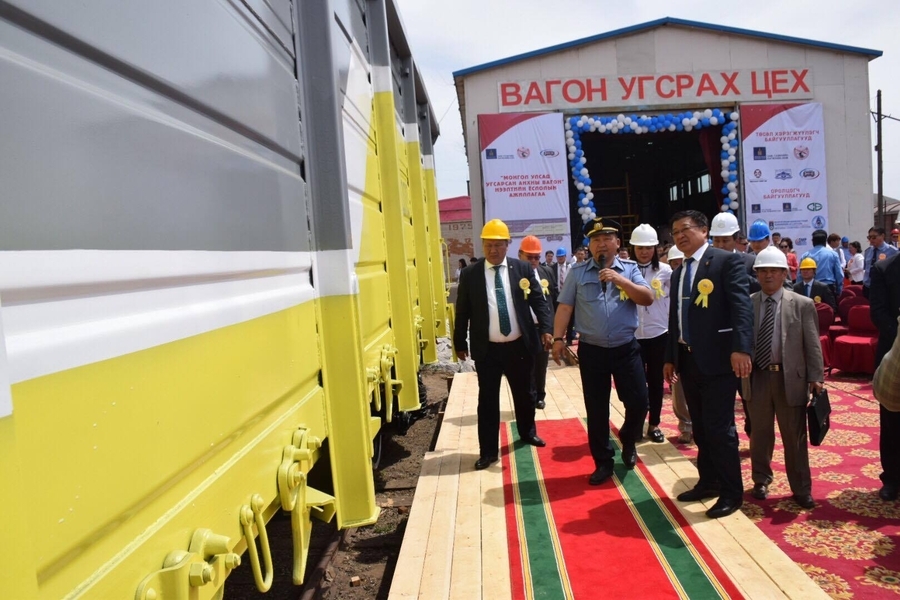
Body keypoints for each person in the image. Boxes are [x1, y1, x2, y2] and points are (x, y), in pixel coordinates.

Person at [663, 210, 753, 519]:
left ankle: (731, 492)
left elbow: (742, 307)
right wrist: (670, 357)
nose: (679, 236)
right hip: (688, 360)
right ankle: (709, 481)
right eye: (675, 232)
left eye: (685, 229)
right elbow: (675, 318)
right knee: (700, 428)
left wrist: (741, 348)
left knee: (719, 429)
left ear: (704, 230)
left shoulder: (725, 261)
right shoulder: (679, 272)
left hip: (719, 359)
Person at [551, 217, 653, 486]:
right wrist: (558, 338)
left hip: (626, 348)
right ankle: (603, 461)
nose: (602, 244)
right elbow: (565, 307)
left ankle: (628, 438)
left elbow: (647, 298)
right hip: (592, 350)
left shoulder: (630, 269)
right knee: (596, 409)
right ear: (590, 245)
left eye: (607, 238)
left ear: (617, 243)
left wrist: (620, 280)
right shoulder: (577, 273)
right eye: (596, 240)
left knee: (639, 402)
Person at [454, 219, 553, 470]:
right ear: (483, 245)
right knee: (487, 400)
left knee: (525, 393)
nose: (493, 250)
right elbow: (462, 310)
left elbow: (538, 301)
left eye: (498, 245)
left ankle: (527, 432)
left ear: (508, 245)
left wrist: (547, 329)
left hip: (519, 346)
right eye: (489, 245)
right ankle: (488, 451)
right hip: (487, 349)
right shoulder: (471, 274)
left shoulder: (522, 269)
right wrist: (459, 341)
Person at [746, 246, 824, 510]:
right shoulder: (748, 303)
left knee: (794, 436)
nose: (768, 275)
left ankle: (801, 488)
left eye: (774, 271)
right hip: (757, 377)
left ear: (784, 274)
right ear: (756, 274)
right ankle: (761, 479)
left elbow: (812, 343)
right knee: (760, 434)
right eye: (763, 271)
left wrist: (816, 376)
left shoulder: (801, 304)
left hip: (790, 379)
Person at [631, 224, 673, 444]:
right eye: (640, 247)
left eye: (648, 247)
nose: (644, 251)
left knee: (656, 383)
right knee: (635, 385)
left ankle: (654, 424)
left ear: (655, 248)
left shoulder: (665, 271)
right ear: (633, 248)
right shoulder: (626, 270)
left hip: (659, 334)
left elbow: (673, 302)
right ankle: (635, 423)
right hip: (632, 335)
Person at [869, 252, 900, 500]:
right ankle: (892, 478)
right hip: (894, 355)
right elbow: (878, 312)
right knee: (891, 423)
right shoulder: (884, 268)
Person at [518, 235, 557, 411]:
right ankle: (528, 396)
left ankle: (540, 396)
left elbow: (553, 300)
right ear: (520, 255)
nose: (533, 261)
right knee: (525, 365)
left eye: (536, 257)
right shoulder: (514, 274)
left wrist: (551, 327)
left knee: (541, 364)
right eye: (530, 257)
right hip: (524, 328)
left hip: (543, 328)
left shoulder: (546, 272)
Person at [665, 246, 693, 443]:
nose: (677, 267)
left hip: (698, 345)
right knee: (679, 389)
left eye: (680, 263)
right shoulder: (669, 279)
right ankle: (685, 426)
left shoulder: (698, 280)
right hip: (675, 341)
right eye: (673, 264)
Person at [798, 230, 843, 295]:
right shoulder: (833, 254)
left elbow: (800, 275)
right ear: (825, 241)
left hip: (811, 287)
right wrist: (839, 289)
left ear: (813, 241)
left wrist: (799, 291)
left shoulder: (805, 255)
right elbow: (839, 274)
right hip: (829, 287)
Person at [863, 227, 898, 297]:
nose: (871, 240)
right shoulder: (868, 251)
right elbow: (865, 268)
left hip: (884, 288)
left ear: (882, 236)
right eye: (869, 237)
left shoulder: (893, 251)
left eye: (874, 237)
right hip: (868, 287)